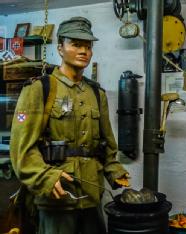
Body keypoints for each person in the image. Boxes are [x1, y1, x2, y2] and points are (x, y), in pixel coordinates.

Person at [10, 16, 129, 234]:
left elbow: (107, 143)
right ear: (60, 48)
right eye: (76, 44)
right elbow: (21, 149)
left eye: (88, 46)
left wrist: (114, 170)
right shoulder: (40, 89)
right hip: (56, 198)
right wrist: (44, 177)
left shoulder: (96, 93)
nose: (84, 51)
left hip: (91, 196)